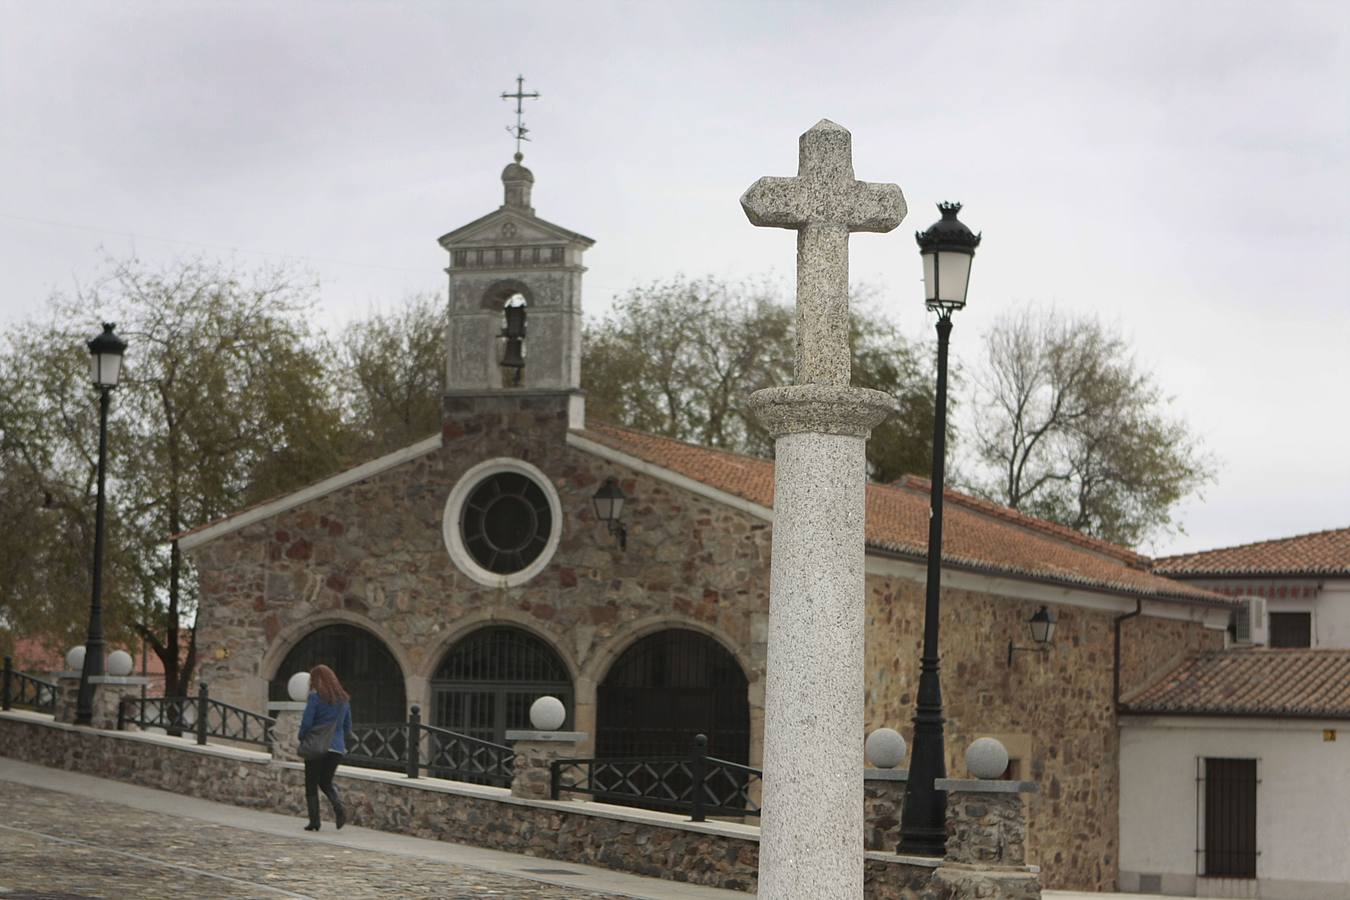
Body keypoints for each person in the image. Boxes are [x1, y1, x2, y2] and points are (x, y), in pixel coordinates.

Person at [297, 663, 352, 831]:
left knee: (311, 783)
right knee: (326, 782)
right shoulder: (344, 700)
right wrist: (340, 741)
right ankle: (339, 807)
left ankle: (314, 821)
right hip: (336, 748)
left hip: (317, 746)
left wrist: (302, 738)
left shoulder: (315, 697)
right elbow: (347, 727)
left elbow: (307, 722)